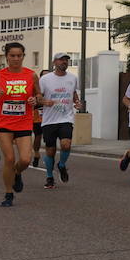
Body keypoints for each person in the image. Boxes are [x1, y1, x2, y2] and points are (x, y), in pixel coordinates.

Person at [0, 42, 41, 207]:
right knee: (9, 158)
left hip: (23, 122)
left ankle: (16, 173)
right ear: (6, 57)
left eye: (19, 55)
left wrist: (34, 99)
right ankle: (9, 194)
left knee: (25, 159)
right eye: (12, 56)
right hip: (3, 121)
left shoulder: (31, 75)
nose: (16, 59)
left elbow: (39, 95)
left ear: (23, 56)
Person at [39, 53, 81, 190]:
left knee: (66, 144)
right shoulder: (45, 79)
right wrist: (46, 101)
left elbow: (74, 93)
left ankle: (62, 165)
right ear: (54, 62)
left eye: (66, 60)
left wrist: (77, 102)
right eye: (61, 60)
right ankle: (50, 177)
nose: (64, 62)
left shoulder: (73, 78)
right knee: (50, 151)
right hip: (49, 120)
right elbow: (38, 97)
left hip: (66, 118)